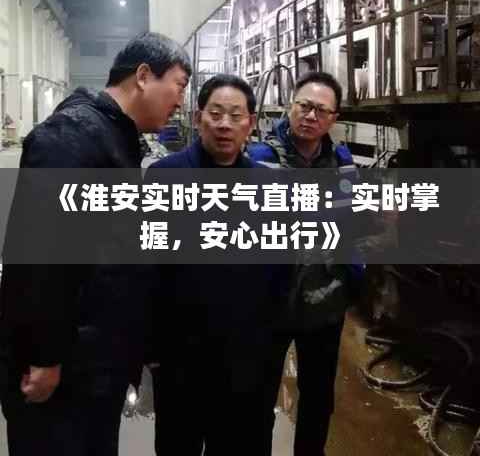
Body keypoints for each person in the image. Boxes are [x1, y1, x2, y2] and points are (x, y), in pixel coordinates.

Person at [0, 32, 191, 456]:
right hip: (65, 370)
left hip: (93, 361)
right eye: (178, 86)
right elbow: (40, 256)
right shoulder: (72, 138)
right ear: (144, 76)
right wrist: (45, 357)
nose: (180, 101)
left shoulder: (112, 136)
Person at [147, 74, 288, 456]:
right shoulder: (165, 178)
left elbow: (280, 273)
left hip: (245, 360)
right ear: (198, 118)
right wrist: (152, 350)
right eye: (216, 113)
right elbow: (149, 269)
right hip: (180, 359)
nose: (225, 124)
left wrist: (269, 347)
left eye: (236, 115)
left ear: (251, 123)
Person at [248, 71, 364, 456]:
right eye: (305, 106)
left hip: (325, 302)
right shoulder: (259, 159)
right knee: (258, 396)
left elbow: (350, 225)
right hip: (269, 303)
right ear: (290, 107)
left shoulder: (342, 163)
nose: (311, 116)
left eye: (321, 110)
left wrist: (353, 276)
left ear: (334, 118)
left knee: (318, 396)